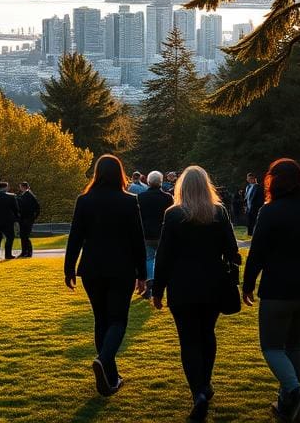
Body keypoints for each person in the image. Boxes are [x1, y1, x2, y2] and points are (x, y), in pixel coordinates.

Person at [242, 158, 300, 423]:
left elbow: (257, 253)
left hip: (277, 289)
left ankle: (295, 392)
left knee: (272, 347)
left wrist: (248, 285)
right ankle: (288, 403)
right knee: (294, 344)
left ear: (272, 181)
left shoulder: (270, 212)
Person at [152, 166, 241, 421]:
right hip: (213, 283)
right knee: (206, 334)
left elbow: (164, 256)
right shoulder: (219, 212)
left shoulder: (173, 215)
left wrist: (157, 290)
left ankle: (198, 392)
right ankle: (206, 382)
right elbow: (232, 250)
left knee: (188, 339)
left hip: (182, 286)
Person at [65, 154, 147, 397]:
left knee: (101, 320)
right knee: (118, 320)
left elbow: (75, 237)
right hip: (121, 268)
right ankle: (104, 361)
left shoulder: (84, 200)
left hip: (92, 268)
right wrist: (142, 274)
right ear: (120, 173)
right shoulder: (129, 201)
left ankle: (110, 376)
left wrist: (69, 268)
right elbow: (137, 240)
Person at [136, 170, 173, 299]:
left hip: (146, 233)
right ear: (161, 182)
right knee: (162, 259)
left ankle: (150, 281)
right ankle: (162, 283)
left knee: (149, 258)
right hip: (163, 233)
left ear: (148, 182)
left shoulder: (141, 198)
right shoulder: (168, 198)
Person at [0, 181, 20, 260]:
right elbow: (15, 209)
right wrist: (17, 219)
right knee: (10, 237)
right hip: (8, 221)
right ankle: (8, 254)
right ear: (6, 187)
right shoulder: (11, 197)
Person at [16, 181, 41, 258]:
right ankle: (25, 252)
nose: (20, 188)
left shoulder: (28, 195)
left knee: (25, 236)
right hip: (26, 218)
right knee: (23, 236)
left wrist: (33, 218)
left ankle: (27, 252)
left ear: (23, 187)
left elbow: (37, 207)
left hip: (26, 219)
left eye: (20, 187)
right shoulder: (28, 195)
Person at [245, 171, 265, 236]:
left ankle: (257, 235)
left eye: (251, 178)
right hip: (249, 208)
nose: (249, 180)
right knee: (250, 223)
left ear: (254, 179)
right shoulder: (248, 187)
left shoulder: (259, 187)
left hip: (256, 208)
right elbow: (247, 197)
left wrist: (258, 207)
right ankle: (251, 235)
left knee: (256, 223)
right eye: (248, 179)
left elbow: (261, 199)